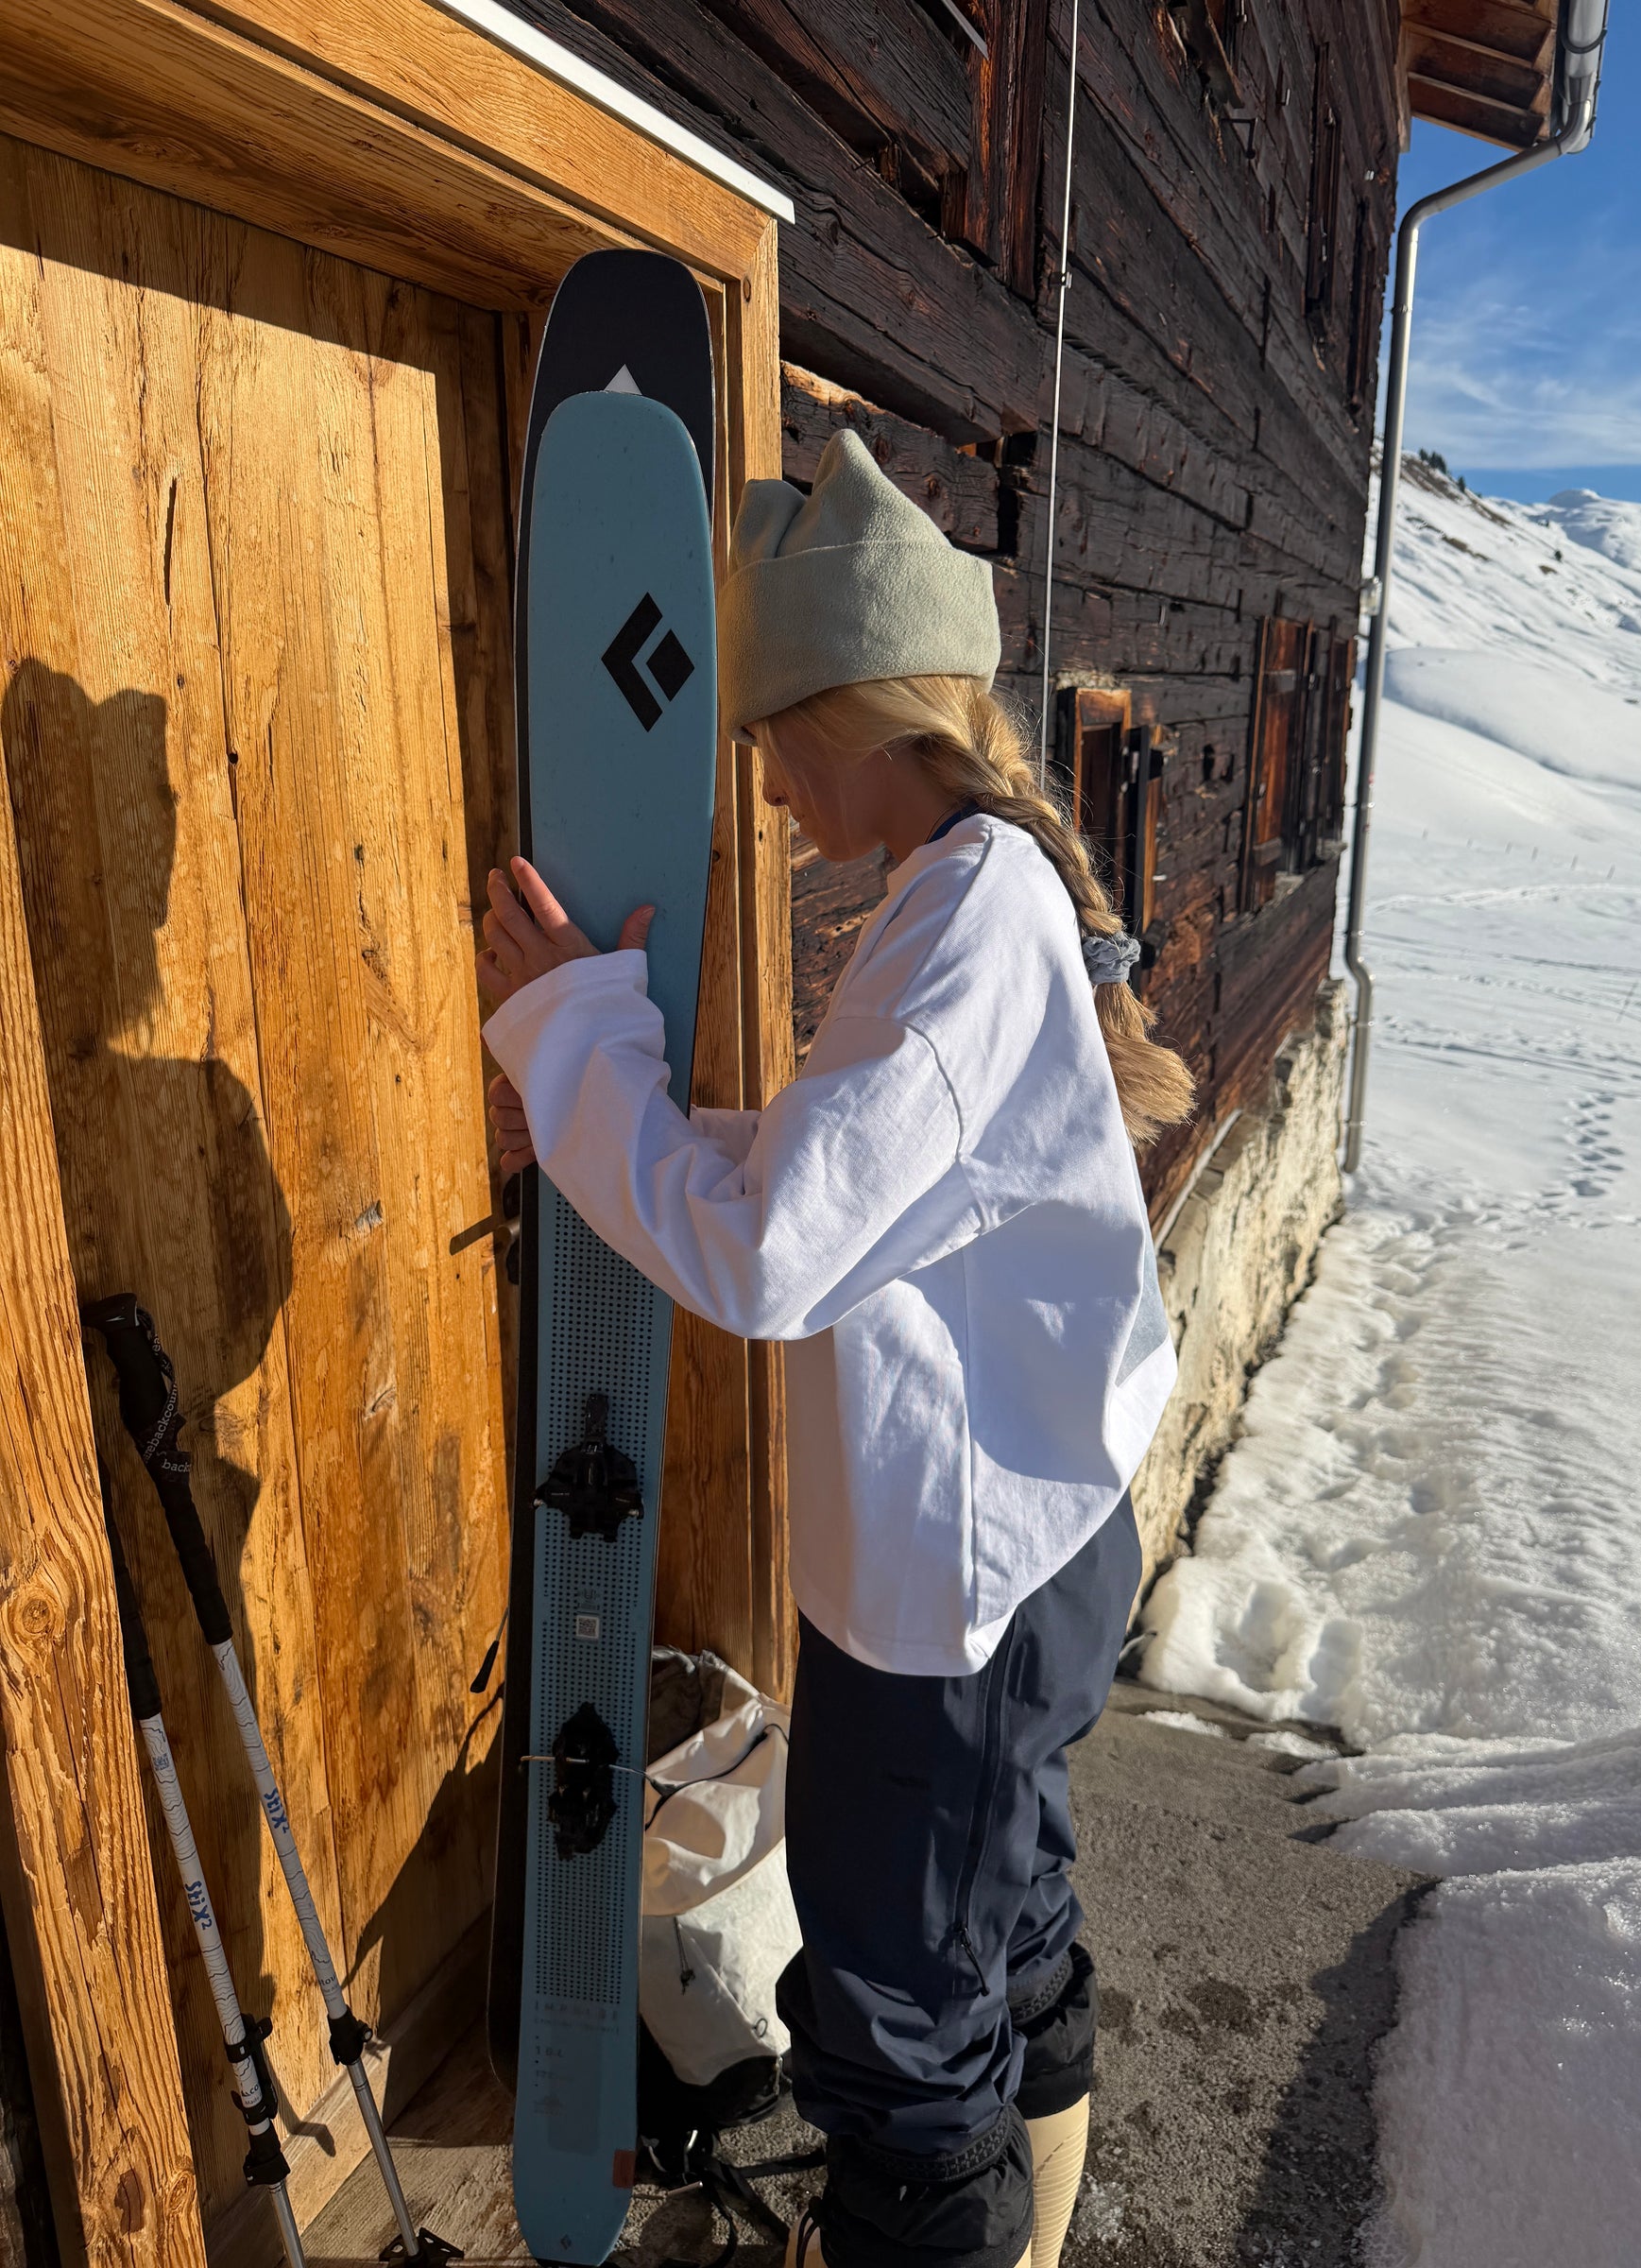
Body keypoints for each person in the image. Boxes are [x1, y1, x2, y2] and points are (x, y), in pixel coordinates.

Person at [477, 431, 1193, 2268]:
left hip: (955, 1597)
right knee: (1000, 1945)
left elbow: (778, 1254)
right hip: (1015, 1551)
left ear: (845, 710)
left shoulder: (958, 924)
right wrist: (600, 1105)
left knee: (898, 2040)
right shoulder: (976, 892)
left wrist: (576, 1048)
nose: (770, 785)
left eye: (769, 738)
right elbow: (863, 1189)